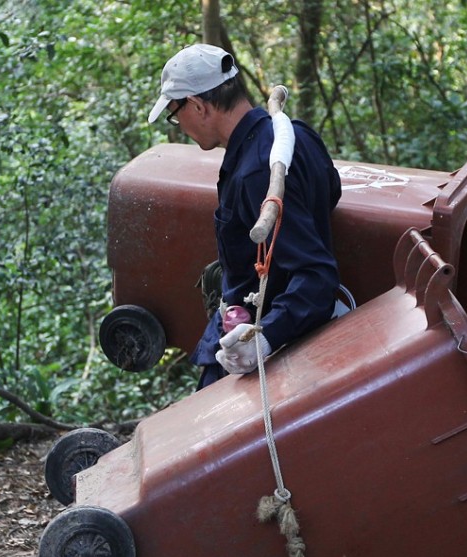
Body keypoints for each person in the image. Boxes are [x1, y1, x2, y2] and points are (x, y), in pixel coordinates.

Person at [147, 44, 343, 388]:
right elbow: (330, 193)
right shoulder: (297, 134)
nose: (178, 125)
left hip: (262, 342)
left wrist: (264, 339)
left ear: (198, 105)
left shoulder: (255, 173)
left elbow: (316, 276)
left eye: (176, 113)